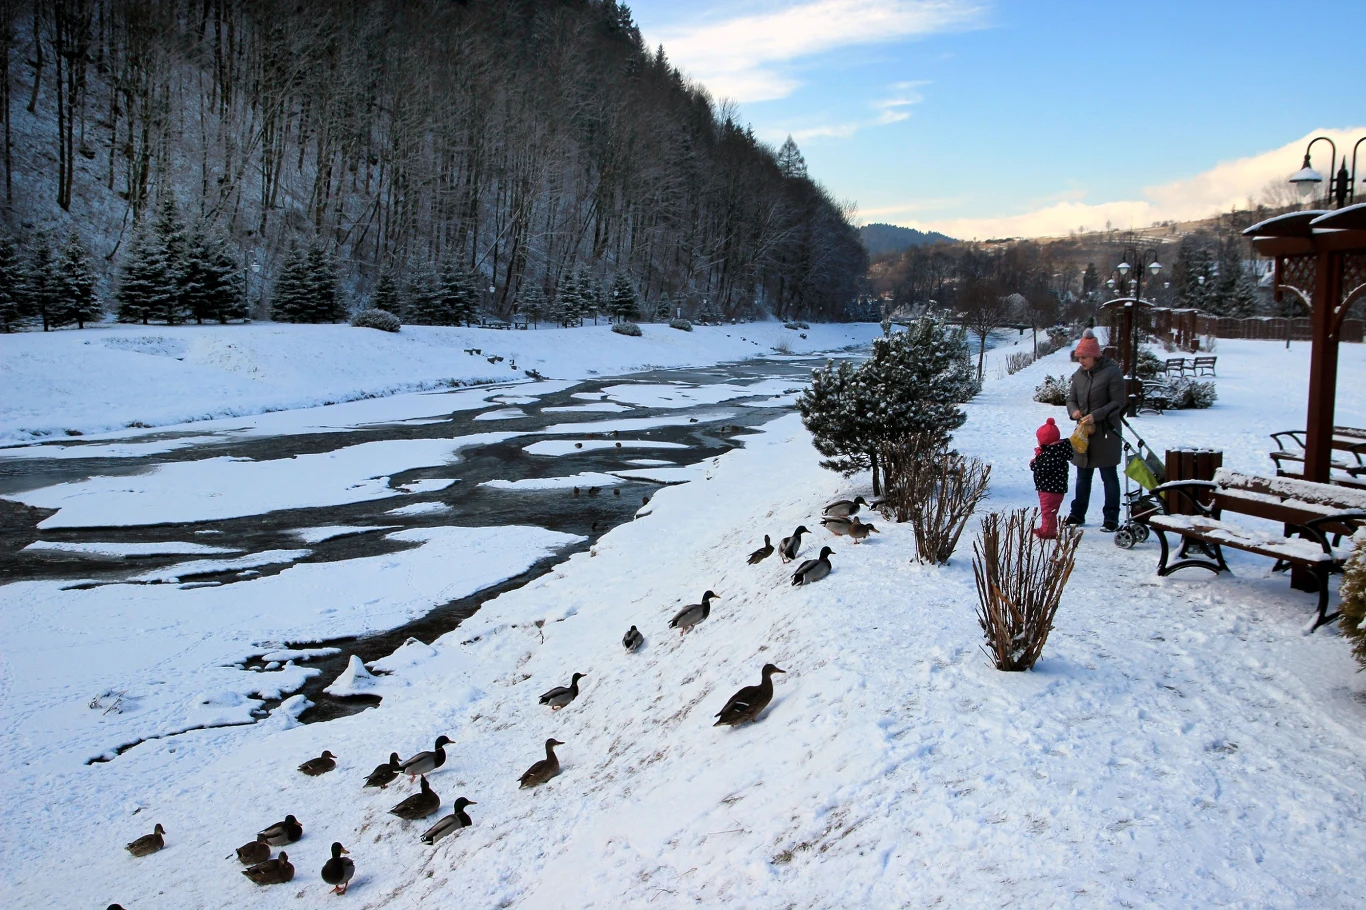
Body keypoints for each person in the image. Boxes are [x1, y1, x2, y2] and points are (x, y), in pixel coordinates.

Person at [1064, 329, 1125, 532]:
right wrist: (1074, 412)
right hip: (1083, 434)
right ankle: (1077, 514)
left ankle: (1111, 518)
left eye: (1084, 357)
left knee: (1108, 475)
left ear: (1095, 356)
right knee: (1083, 475)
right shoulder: (1078, 376)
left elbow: (1118, 402)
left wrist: (1096, 415)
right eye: (1079, 357)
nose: (1081, 361)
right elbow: (1071, 399)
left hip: (1106, 432)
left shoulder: (1112, 372)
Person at [1030, 417, 1072, 539]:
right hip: (1054, 487)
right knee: (1049, 511)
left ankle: (1048, 531)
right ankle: (1047, 528)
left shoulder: (1052, 454)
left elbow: (1044, 469)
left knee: (1048, 511)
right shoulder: (1056, 451)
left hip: (1050, 488)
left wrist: (1034, 464)